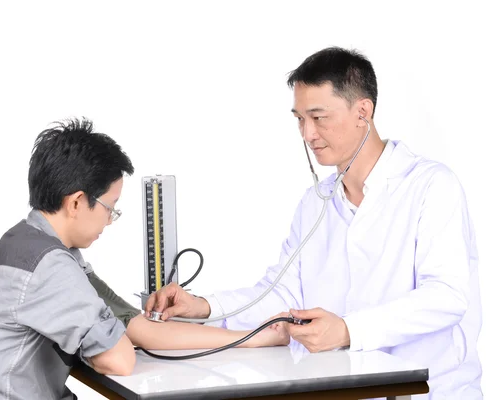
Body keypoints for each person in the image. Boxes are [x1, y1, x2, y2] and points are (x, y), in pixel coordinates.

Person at [145, 47, 483, 399]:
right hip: (345, 390)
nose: (307, 134)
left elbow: (446, 296)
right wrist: (204, 306)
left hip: (433, 392)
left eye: (318, 117)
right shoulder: (315, 203)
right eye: (299, 119)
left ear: (362, 112)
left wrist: (349, 330)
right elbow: (283, 295)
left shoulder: (431, 186)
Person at [0, 118, 289, 400]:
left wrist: (254, 337)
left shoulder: (35, 244)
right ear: (77, 202)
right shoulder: (48, 265)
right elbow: (119, 360)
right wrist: (113, 339)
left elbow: (139, 328)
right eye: (110, 208)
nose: (109, 221)